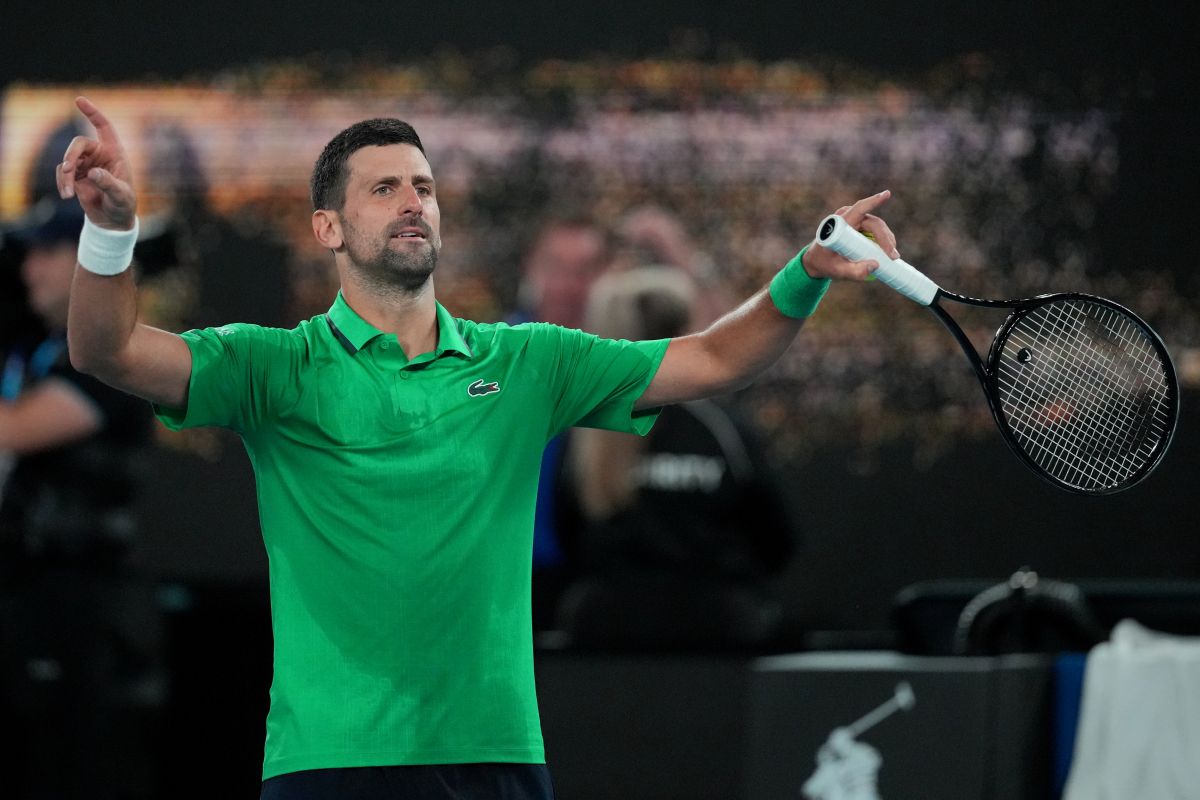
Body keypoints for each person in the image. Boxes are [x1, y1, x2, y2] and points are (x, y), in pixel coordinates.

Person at [57, 95, 900, 799]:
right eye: (384, 188)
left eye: (422, 185)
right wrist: (111, 232)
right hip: (333, 763)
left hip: (495, 759)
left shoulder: (528, 360)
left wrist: (804, 273)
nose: (413, 201)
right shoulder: (272, 366)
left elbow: (714, 357)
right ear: (328, 228)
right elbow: (108, 351)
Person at [0, 197, 156, 799]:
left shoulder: (111, 359)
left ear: (89, 258)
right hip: (31, 596)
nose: (29, 269)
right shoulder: (36, 351)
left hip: (88, 610)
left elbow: (14, 429)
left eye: (46, 253)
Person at [555, 267, 799, 649]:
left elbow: (567, 533)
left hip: (606, 633)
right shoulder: (722, 431)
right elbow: (776, 537)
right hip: (721, 634)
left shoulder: (587, 434)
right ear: (692, 330)